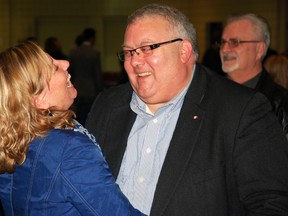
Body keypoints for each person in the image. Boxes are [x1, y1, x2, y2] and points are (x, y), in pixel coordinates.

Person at [85, 3, 288, 216]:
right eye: (128, 52)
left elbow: (272, 203)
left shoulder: (240, 111)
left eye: (147, 48)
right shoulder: (107, 106)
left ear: (184, 51)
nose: (135, 61)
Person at [0, 41, 145, 216]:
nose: (66, 63)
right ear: (39, 100)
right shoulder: (69, 149)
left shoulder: (12, 140)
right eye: (53, 67)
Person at [219, 13, 288, 137]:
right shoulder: (207, 94)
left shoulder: (281, 104)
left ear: (259, 49)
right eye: (223, 42)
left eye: (234, 42)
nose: (225, 49)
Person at [69, 28, 103, 125]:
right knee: (89, 116)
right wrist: (100, 91)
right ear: (92, 38)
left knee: (76, 116)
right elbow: (97, 75)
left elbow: (70, 73)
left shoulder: (73, 52)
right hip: (91, 90)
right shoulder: (94, 53)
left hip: (76, 88)